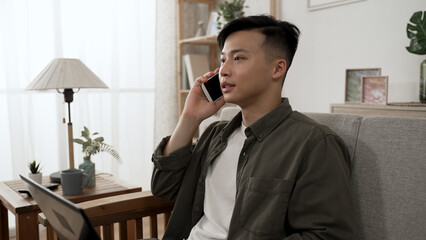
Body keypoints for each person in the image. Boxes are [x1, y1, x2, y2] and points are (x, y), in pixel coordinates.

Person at [151, 15, 355, 239]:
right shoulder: (215, 134)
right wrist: (190, 118)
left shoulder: (315, 144)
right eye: (222, 60)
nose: (224, 71)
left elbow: (327, 236)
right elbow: (164, 188)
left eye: (238, 58)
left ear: (277, 69)